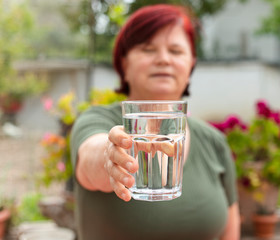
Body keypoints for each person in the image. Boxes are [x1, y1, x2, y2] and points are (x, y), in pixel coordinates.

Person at [70, 4, 240, 240]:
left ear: (191, 63)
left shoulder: (214, 141)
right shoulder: (97, 120)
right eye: (148, 49)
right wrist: (111, 157)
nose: (163, 59)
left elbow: (230, 231)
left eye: (176, 51)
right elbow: (91, 160)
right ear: (124, 64)